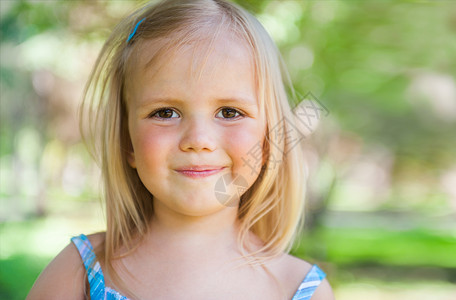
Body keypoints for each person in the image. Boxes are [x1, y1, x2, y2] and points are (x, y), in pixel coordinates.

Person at [27, 0, 334, 299]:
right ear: (127, 142)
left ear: (268, 141)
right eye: (165, 113)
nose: (198, 139)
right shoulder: (79, 273)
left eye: (229, 112)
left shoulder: (300, 289)